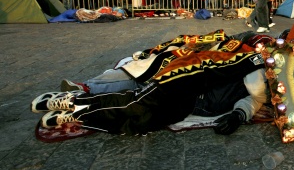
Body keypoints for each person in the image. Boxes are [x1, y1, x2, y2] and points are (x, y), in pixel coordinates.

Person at [31, 49, 266, 136]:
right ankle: (73, 101)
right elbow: (253, 85)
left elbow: (254, 101)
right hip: (185, 83)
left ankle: (81, 116)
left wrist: (238, 116)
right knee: (134, 103)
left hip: (192, 106)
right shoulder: (252, 61)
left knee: (141, 123)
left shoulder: (268, 88)